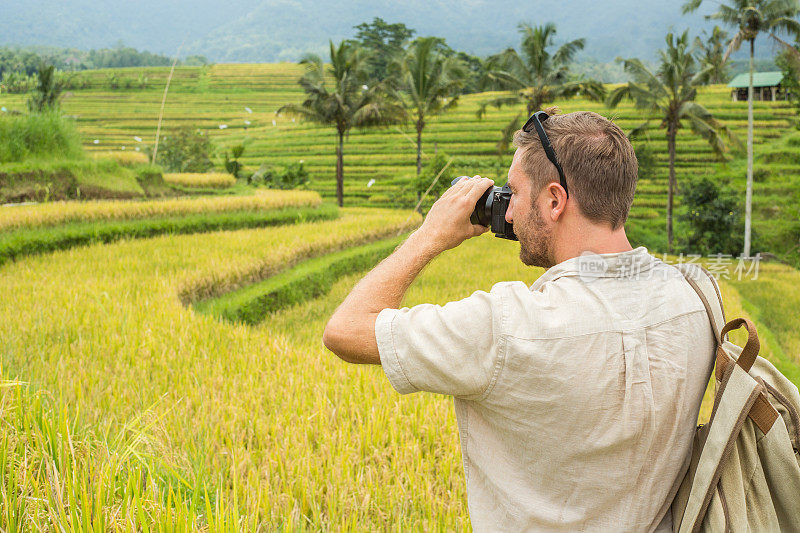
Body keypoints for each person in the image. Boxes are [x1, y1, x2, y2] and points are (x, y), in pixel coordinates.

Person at [322, 107, 715, 532]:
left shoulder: (508, 326)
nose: (507, 214)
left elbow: (344, 330)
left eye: (514, 193)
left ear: (554, 200)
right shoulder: (692, 300)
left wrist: (430, 236)